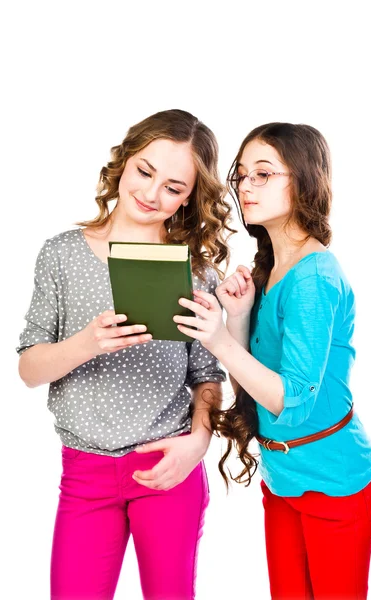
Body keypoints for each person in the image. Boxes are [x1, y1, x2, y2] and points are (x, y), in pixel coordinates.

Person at [17, 109, 233, 600]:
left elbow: (207, 372)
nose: (153, 195)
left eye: (175, 188)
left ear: (189, 197)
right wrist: (84, 345)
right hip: (84, 474)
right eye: (145, 171)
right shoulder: (63, 254)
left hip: (167, 467)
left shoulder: (193, 270)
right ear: (124, 162)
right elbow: (29, 367)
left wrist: (198, 442)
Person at [173, 122, 371, 599]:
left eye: (263, 174)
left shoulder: (313, 279)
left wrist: (219, 340)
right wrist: (241, 317)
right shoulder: (271, 266)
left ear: (305, 179)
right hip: (284, 479)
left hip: (336, 484)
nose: (245, 185)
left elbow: (294, 401)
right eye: (242, 174)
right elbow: (253, 385)